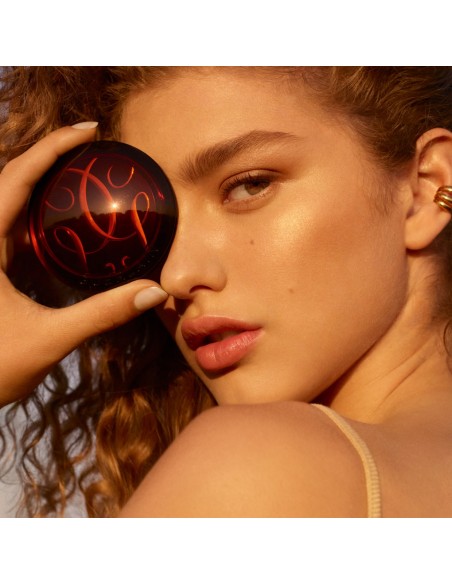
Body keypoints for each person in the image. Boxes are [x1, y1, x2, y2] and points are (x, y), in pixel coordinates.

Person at [1, 66, 452, 518]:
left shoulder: (258, 465)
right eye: (146, 222)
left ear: (426, 188)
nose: (176, 276)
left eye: (249, 185)